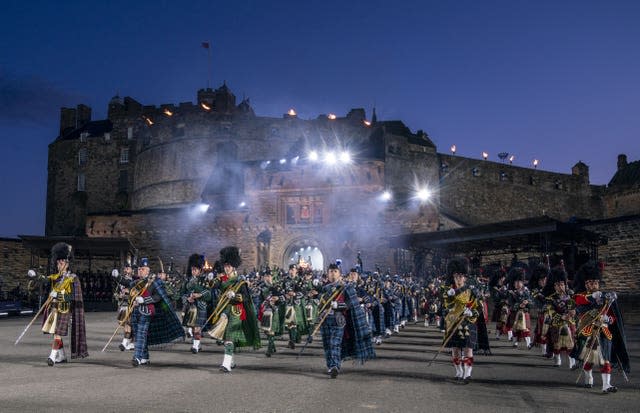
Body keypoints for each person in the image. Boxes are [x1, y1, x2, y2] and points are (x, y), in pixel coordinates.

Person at [573, 261, 630, 393]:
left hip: (603, 332)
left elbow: (613, 316)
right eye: (589, 282)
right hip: (588, 331)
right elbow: (581, 301)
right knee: (589, 360)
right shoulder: (580, 296)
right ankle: (588, 376)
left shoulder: (606, 298)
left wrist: (608, 319)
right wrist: (593, 297)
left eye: (594, 282)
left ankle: (606, 385)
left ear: (598, 283)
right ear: (585, 284)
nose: (592, 285)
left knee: (605, 359)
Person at [115, 257, 184, 366]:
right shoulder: (137, 282)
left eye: (142, 269)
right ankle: (145, 357)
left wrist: (144, 300)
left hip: (147, 311)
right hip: (135, 311)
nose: (140, 271)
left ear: (147, 270)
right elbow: (127, 282)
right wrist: (117, 276)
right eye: (139, 269)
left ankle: (137, 357)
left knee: (141, 334)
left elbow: (158, 297)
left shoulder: (154, 282)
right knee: (139, 335)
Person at [31, 242, 88, 366]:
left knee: (57, 333)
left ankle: (52, 356)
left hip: (65, 310)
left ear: (67, 264)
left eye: (61, 263)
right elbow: (44, 279)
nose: (58, 265)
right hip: (54, 309)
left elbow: (74, 297)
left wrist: (59, 295)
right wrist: (35, 276)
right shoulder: (56, 277)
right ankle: (61, 356)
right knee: (55, 334)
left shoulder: (73, 278)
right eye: (58, 262)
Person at [208, 246, 261, 372]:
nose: (226, 268)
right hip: (224, 310)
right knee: (226, 337)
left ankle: (225, 364)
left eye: (228, 266)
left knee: (230, 336)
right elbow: (213, 286)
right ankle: (230, 361)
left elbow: (246, 298)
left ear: (234, 267)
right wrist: (210, 279)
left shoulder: (240, 281)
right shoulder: (222, 280)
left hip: (236, 311)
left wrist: (235, 296)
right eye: (225, 266)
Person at [318, 263, 375, 378]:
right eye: (330, 272)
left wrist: (338, 305)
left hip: (339, 320)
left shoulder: (346, 287)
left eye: (335, 272)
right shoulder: (323, 288)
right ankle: (330, 365)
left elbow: (350, 303)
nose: (333, 274)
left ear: (339, 274)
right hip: (325, 320)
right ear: (327, 273)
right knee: (327, 345)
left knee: (335, 343)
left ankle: (335, 366)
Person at [442, 257, 479, 383]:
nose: (458, 279)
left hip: (468, 323)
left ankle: (467, 374)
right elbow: (448, 307)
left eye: (461, 276)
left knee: (468, 349)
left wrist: (471, 312)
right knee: (455, 349)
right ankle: (459, 372)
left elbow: (477, 308)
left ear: (465, 278)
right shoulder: (448, 292)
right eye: (456, 276)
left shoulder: (471, 291)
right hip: (453, 323)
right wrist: (452, 299)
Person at [181, 253, 212, 354]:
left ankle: (195, 347)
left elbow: (209, 293)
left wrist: (199, 295)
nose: (193, 271)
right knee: (193, 327)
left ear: (200, 270)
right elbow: (182, 293)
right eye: (192, 269)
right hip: (191, 306)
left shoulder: (205, 280)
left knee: (198, 327)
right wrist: (187, 299)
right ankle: (197, 344)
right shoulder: (187, 280)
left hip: (201, 306)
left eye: (195, 269)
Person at [114, 260, 135, 351]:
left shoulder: (134, 280)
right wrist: (119, 296)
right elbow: (116, 293)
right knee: (124, 324)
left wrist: (127, 294)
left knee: (129, 324)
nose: (126, 270)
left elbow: (135, 293)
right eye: (125, 268)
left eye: (128, 268)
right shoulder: (121, 280)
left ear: (132, 270)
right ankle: (129, 342)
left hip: (130, 305)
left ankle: (125, 342)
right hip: (122, 305)